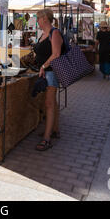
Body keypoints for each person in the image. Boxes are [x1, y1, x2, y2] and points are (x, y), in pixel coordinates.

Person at [34, 9, 65, 151]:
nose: (37, 21)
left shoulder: (55, 32)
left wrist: (44, 65)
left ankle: (47, 139)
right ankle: (54, 129)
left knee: (49, 104)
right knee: (52, 102)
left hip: (51, 72)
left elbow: (56, 54)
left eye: (38, 18)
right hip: (46, 72)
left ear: (45, 19)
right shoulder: (43, 34)